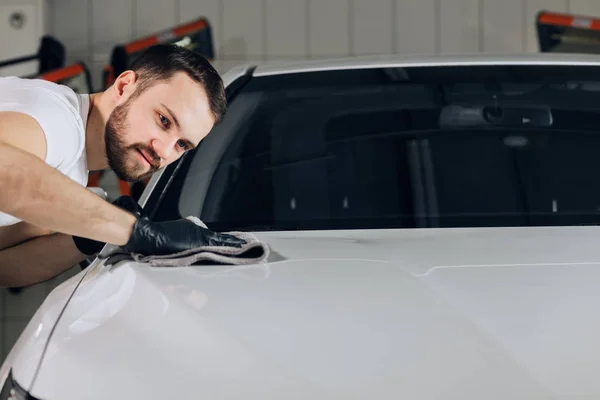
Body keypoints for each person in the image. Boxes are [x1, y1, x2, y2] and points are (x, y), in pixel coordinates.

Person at [0, 43, 246, 288]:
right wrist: (132, 230)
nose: (163, 151)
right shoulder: (56, 120)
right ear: (124, 86)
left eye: (181, 144)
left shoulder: (73, 168)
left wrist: (88, 238)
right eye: (163, 120)